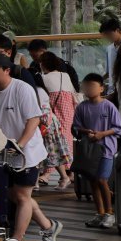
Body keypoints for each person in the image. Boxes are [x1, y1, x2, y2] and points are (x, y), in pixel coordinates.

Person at [0, 53, 62, 241]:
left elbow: (33, 120)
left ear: (6, 70)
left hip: (26, 153)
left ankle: (16, 239)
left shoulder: (22, 89)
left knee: (21, 196)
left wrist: (19, 145)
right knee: (14, 195)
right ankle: (49, 226)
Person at [73, 73, 121, 229]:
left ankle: (109, 213)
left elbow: (118, 128)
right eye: (86, 86)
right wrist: (86, 131)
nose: (89, 89)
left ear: (101, 88)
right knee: (93, 182)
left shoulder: (108, 106)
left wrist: (102, 134)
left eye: (93, 86)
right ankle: (99, 213)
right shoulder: (82, 107)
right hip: (90, 150)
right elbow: (75, 128)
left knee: (101, 180)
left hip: (106, 149)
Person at [40, 52, 77, 189]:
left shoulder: (44, 78)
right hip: (68, 113)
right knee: (65, 144)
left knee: (52, 144)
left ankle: (49, 174)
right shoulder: (65, 76)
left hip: (53, 114)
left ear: (43, 64)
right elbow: (73, 95)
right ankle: (68, 174)